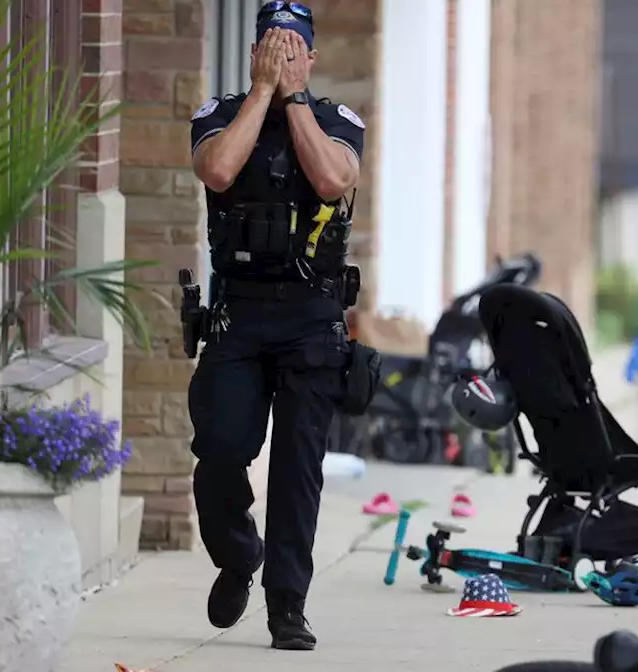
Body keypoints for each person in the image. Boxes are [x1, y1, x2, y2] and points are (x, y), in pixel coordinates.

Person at [186, 1, 366, 651]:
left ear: (311, 58)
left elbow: (329, 178)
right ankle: (239, 555)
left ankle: (287, 604)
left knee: (298, 470)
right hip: (239, 312)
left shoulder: (335, 121)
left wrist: (291, 99)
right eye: (272, 47)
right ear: (255, 53)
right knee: (221, 450)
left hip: (311, 317)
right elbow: (218, 171)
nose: (283, 56)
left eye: (294, 50)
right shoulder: (219, 114)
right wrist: (263, 92)